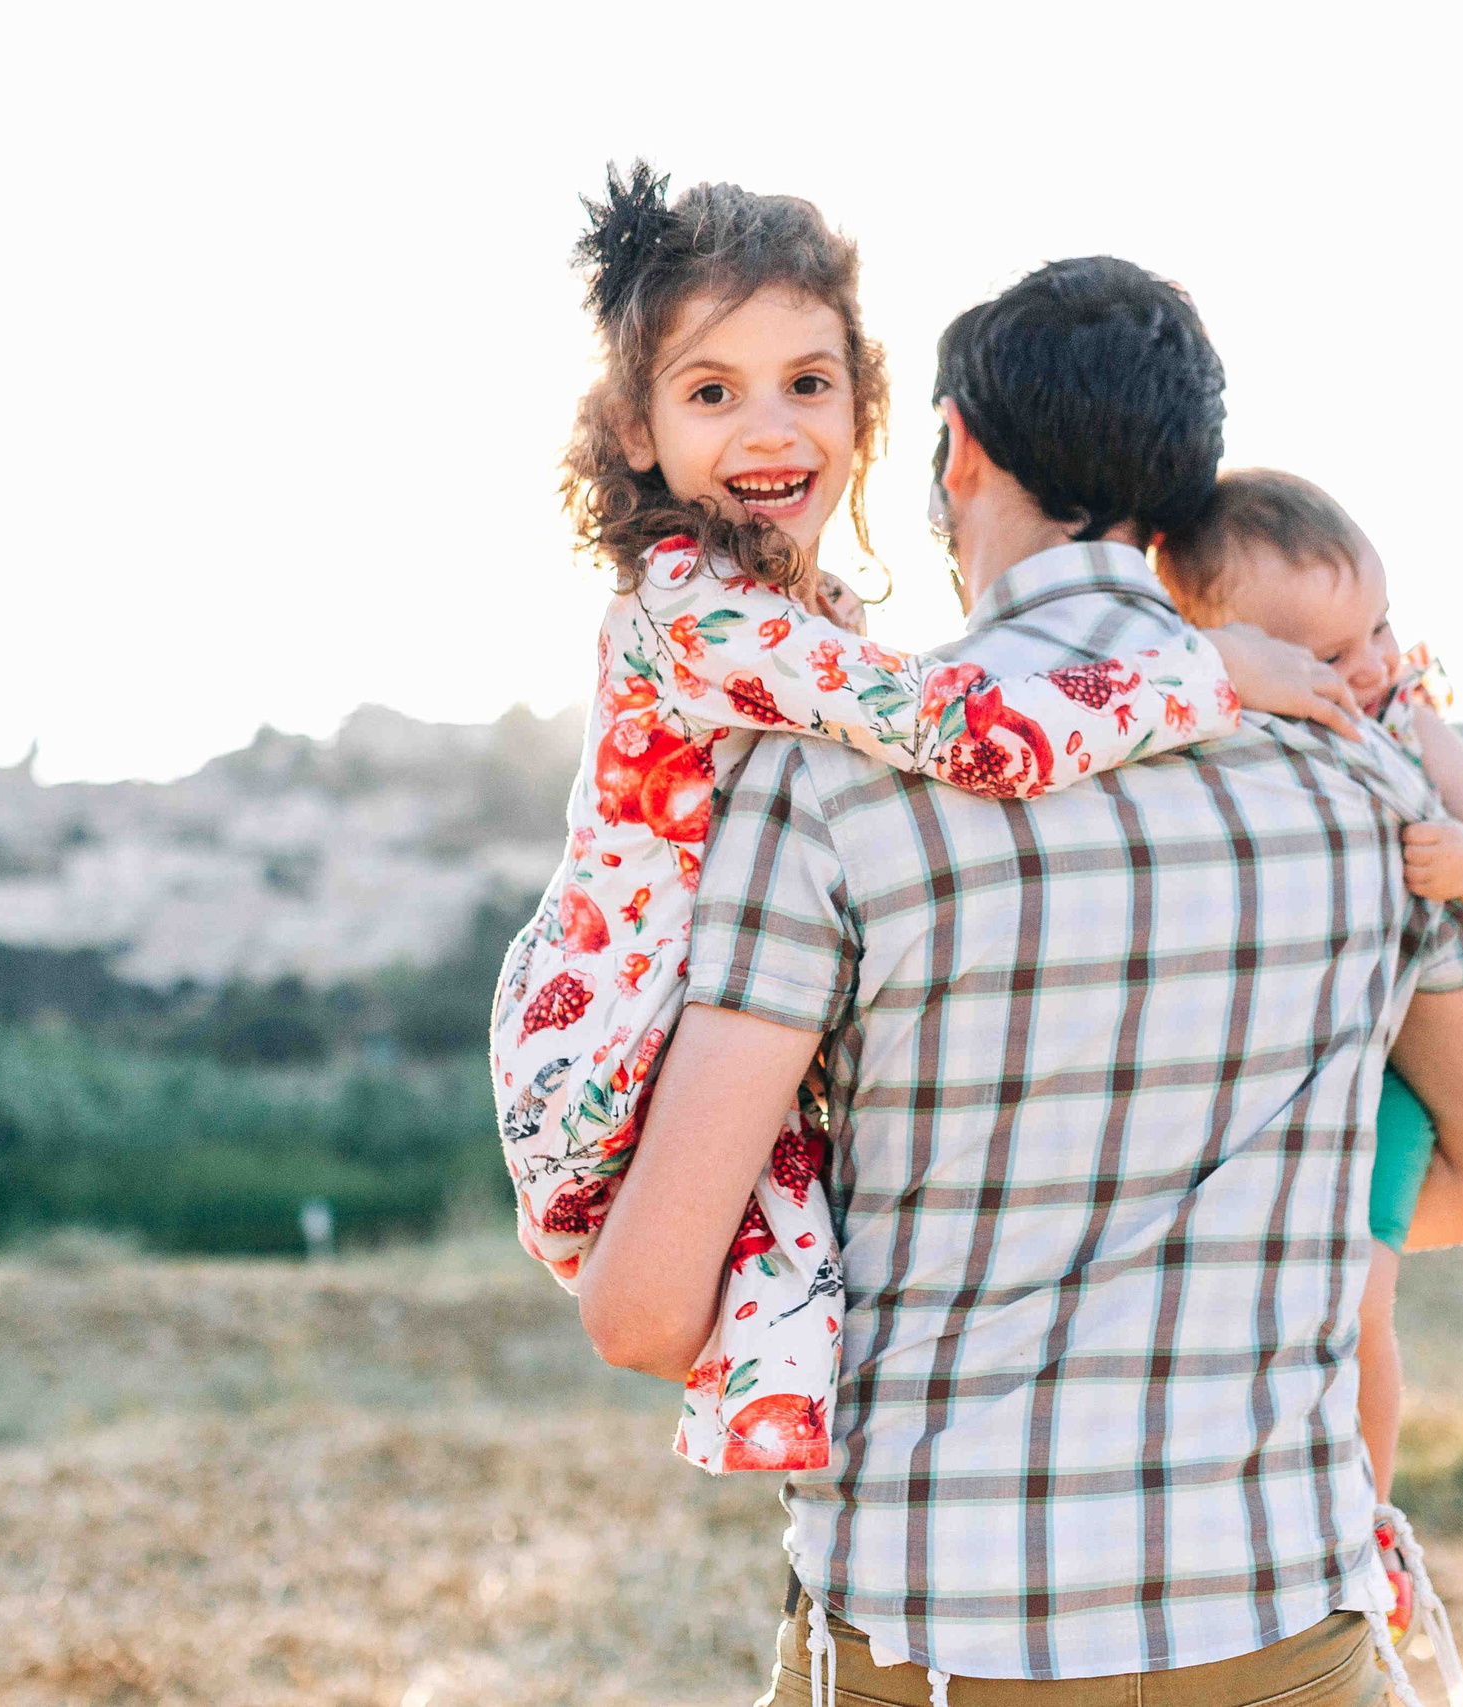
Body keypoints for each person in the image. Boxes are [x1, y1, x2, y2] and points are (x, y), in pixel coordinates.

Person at [575, 254, 1463, 1705]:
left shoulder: (830, 788)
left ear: (960, 449)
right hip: (1283, 1627)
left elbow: (643, 1312)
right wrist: (1259, 1206)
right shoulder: (1368, 783)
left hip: (939, 1641)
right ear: (1181, 490)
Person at [489, 164, 1362, 1475]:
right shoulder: (704, 611)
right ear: (632, 427)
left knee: (795, 1242)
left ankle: (814, 1418)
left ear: (887, 414)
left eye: (809, 382)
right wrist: (1211, 670)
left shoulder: (790, 614)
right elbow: (973, 733)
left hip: (658, 1003)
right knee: (748, 1259)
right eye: (711, 391)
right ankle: (801, 1410)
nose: (771, 427)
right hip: (603, 1028)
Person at [1153, 469, 1463, 1513]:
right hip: (1261, 1062)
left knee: (1358, 1303)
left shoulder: (1405, 720)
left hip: (1382, 1082)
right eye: (1331, 655)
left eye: (1380, 627)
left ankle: (1365, 1514)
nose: (1370, 664)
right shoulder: (1199, 725)